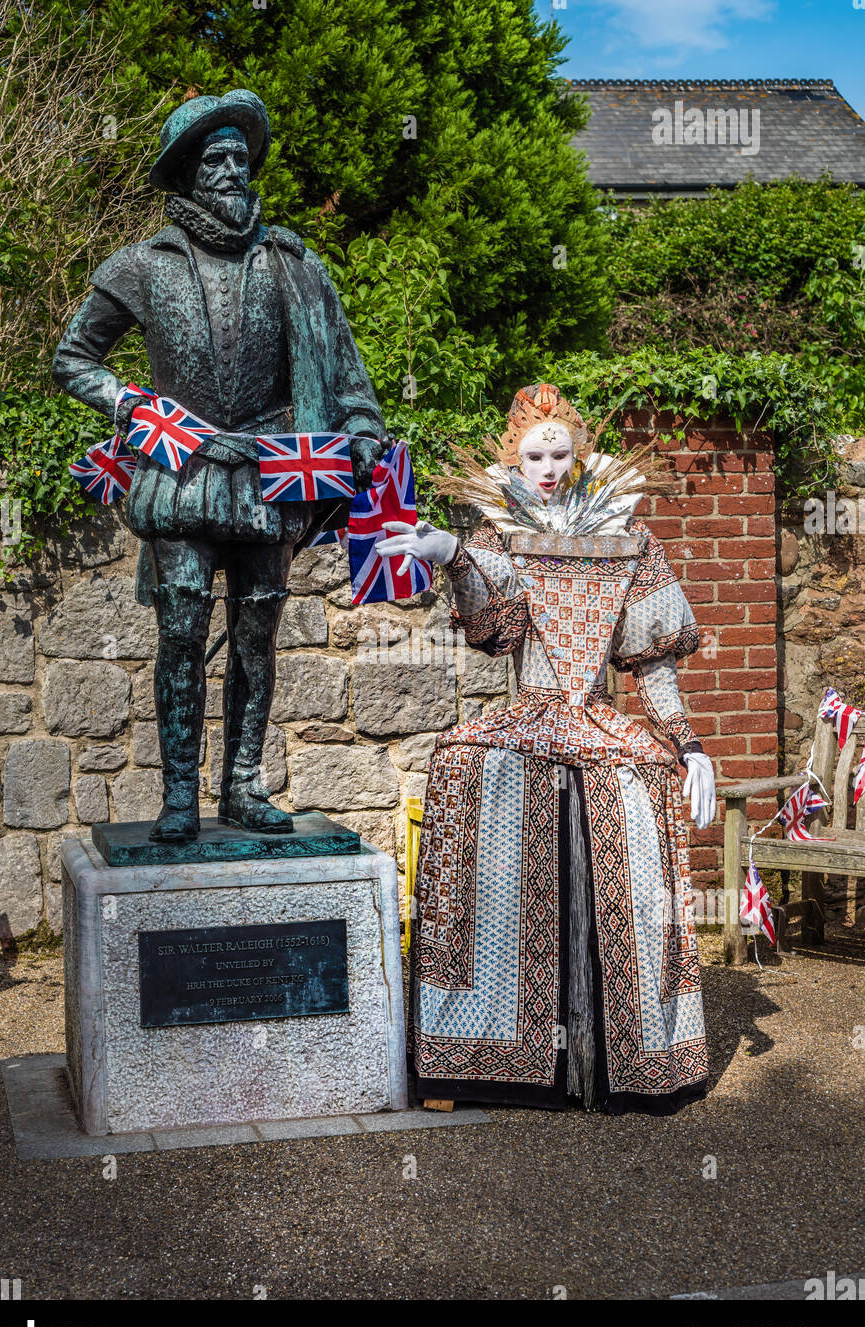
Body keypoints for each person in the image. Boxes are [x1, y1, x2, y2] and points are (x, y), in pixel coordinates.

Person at [53, 90, 386, 840]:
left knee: (257, 638)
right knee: (178, 633)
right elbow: (73, 358)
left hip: (274, 474)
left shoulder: (294, 264)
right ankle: (178, 796)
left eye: (240, 155)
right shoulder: (141, 265)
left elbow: (345, 374)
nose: (232, 168)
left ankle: (241, 785)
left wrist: (362, 432)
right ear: (186, 175)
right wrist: (130, 407)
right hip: (180, 472)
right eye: (214, 158)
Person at [376, 384, 715, 1114]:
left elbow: (652, 658)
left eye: (560, 452)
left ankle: (633, 1057)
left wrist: (688, 745)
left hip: (598, 719)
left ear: (580, 452)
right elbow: (493, 620)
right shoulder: (500, 534)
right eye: (534, 453)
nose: (549, 465)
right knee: (463, 765)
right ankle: (483, 1055)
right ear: (513, 457)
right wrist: (453, 555)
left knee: (640, 788)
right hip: (525, 717)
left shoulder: (628, 536)